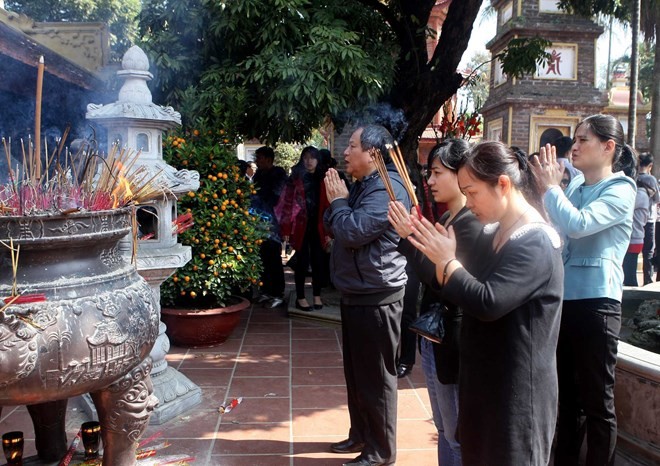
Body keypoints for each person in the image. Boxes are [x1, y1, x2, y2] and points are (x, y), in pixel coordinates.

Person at [407, 141, 564, 465]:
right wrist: (432, 254)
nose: (468, 201)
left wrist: (447, 262)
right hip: (483, 386)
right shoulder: (492, 231)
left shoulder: (536, 241)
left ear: (502, 185)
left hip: (517, 397)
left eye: (473, 192)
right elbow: (457, 287)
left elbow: (488, 301)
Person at [536, 114, 637, 466]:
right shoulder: (577, 186)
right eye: (574, 139)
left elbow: (578, 225)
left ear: (608, 147)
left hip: (597, 304)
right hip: (564, 300)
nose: (574, 147)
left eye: (583, 140)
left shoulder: (621, 188)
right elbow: (557, 229)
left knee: (597, 402)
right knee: (566, 398)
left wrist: (552, 189)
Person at [388, 138, 481, 465]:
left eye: (436, 173)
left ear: (462, 174)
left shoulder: (471, 224)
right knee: (443, 426)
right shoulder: (447, 220)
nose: (429, 181)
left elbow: (442, 279)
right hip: (433, 335)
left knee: (455, 431)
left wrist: (408, 241)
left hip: (453, 339)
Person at [324, 124, 411, 466]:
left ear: (373, 154)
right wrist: (341, 206)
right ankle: (362, 434)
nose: (345, 152)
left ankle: (380, 451)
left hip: (378, 294)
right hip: (358, 290)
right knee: (358, 373)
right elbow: (338, 224)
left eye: (353, 146)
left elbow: (351, 230)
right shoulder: (365, 186)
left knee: (376, 377)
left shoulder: (388, 188)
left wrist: (339, 203)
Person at [275, 146, 330, 311]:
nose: (309, 161)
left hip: (319, 226)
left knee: (319, 262)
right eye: (305, 157)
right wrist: (285, 230)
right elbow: (286, 205)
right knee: (302, 262)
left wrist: (330, 230)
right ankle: (300, 296)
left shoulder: (324, 178)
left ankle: (317, 295)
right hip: (300, 227)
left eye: (312, 157)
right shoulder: (295, 180)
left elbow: (329, 206)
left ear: (318, 160)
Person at [252, 146, 288, 308]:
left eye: (259, 158)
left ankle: (277, 293)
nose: (256, 161)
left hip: (273, 223)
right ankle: (265, 290)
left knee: (274, 257)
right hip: (259, 222)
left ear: (268, 159)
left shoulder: (278, 174)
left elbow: (277, 198)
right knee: (263, 257)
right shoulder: (258, 174)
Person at [637, 153, 659, 285]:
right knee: (648, 251)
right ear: (650, 166)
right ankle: (648, 279)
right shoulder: (651, 180)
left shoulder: (634, 178)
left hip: (636, 220)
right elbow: (657, 199)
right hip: (649, 219)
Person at [623, 171, 647, 286]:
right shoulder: (642, 194)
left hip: (634, 238)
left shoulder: (640, 195)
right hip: (635, 237)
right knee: (628, 272)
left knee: (629, 275)